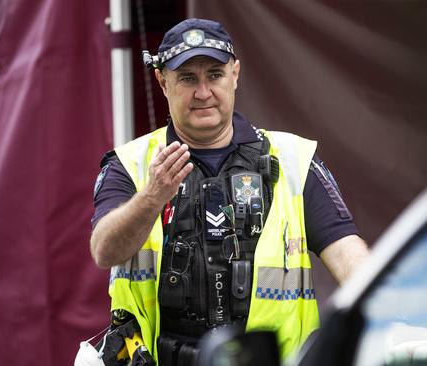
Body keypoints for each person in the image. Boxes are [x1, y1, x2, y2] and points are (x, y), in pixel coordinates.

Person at [90, 18, 370, 365]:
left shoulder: (294, 159)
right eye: (188, 78)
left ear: (235, 74)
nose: (203, 92)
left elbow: (348, 256)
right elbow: (104, 251)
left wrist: (394, 322)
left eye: (215, 75)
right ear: (163, 82)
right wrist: (151, 197)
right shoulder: (130, 164)